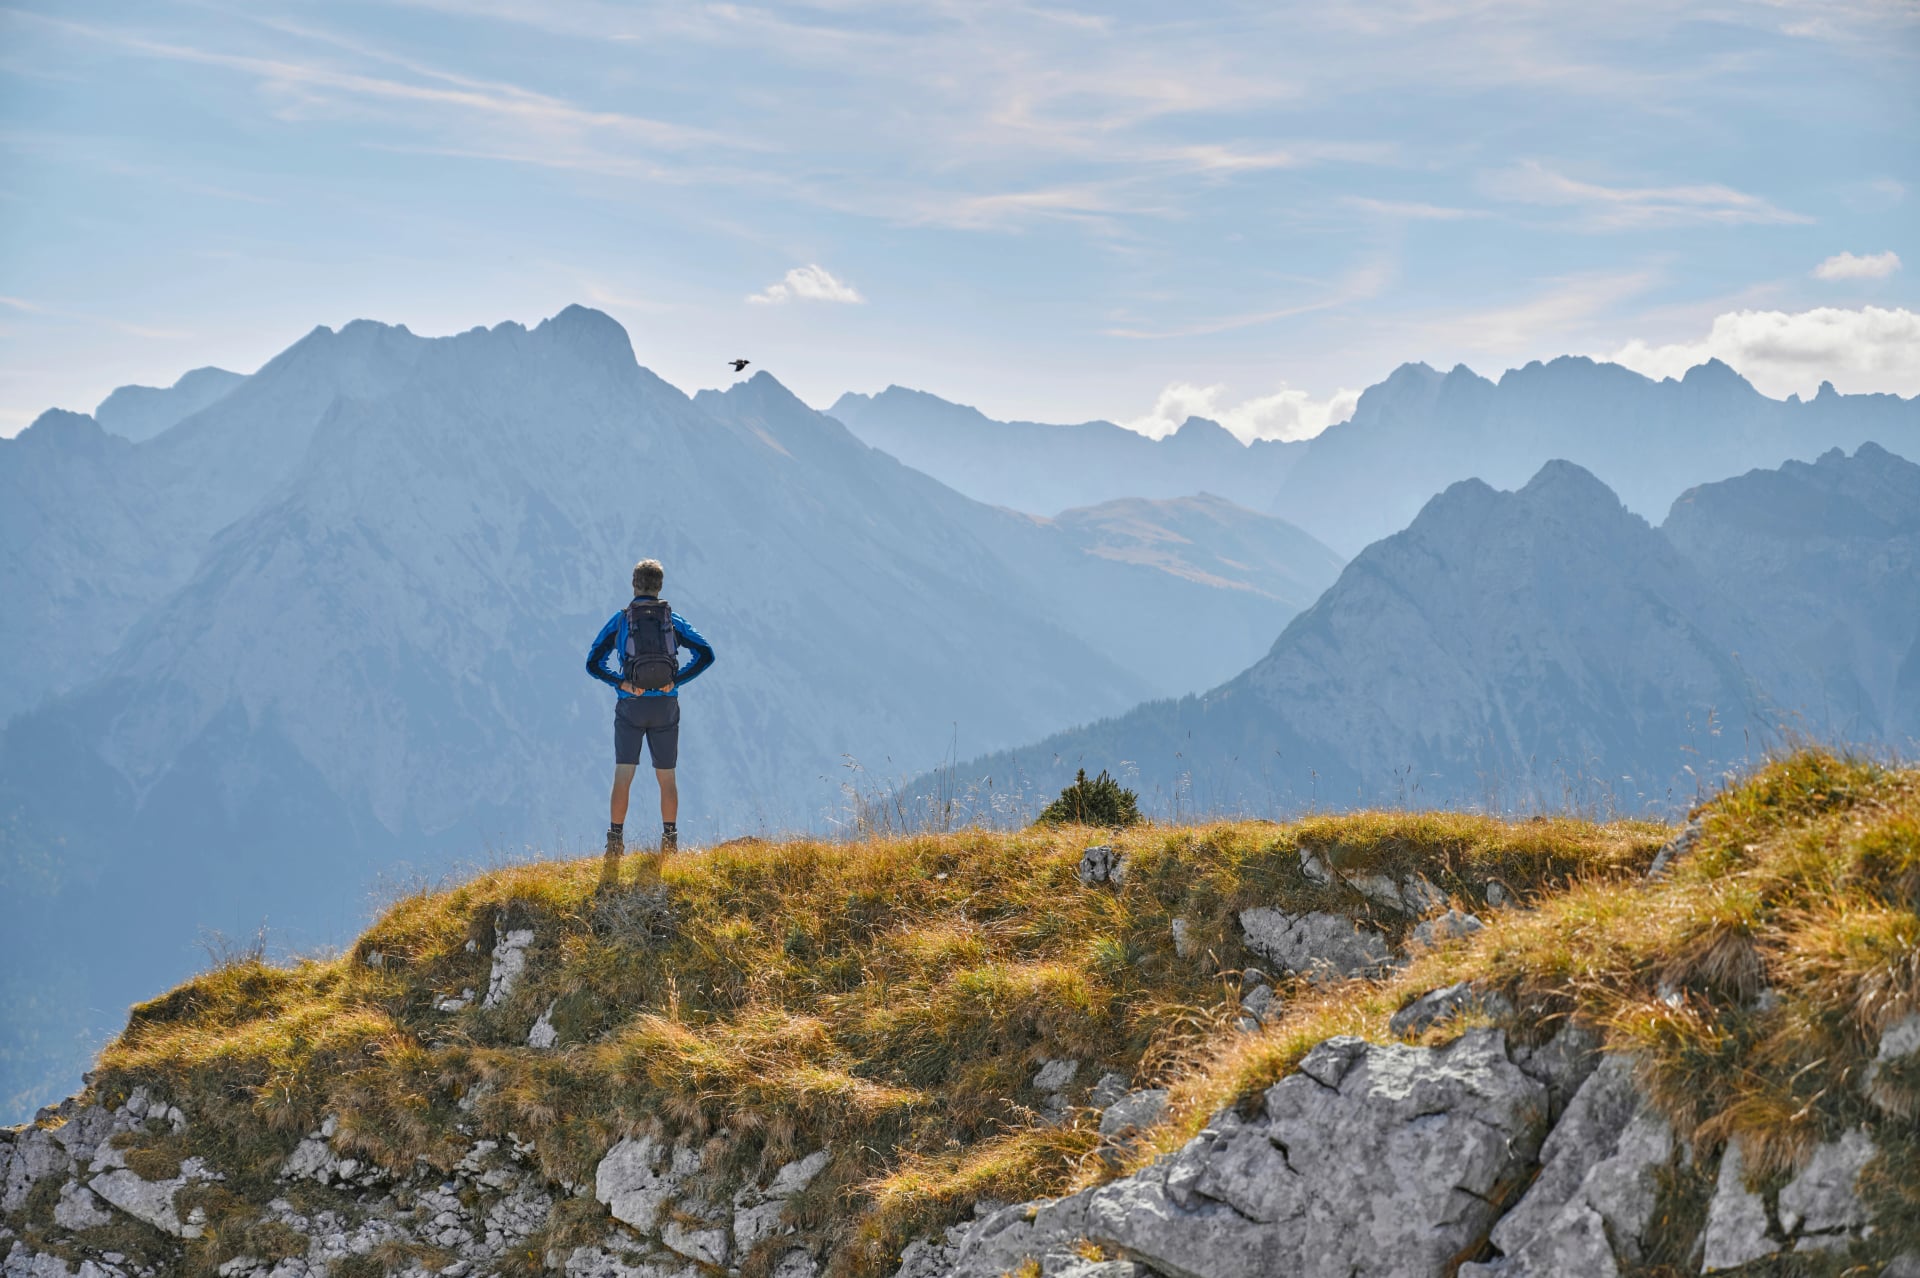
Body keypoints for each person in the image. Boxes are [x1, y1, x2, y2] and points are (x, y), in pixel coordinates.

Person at [585, 558, 715, 876]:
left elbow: (592, 662)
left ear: (634, 584)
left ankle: (615, 841)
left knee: (623, 775)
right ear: (659, 586)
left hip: (630, 705)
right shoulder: (672, 619)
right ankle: (669, 840)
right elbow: (706, 653)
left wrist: (622, 682)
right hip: (666, 707)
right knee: (666, 777)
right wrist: (676, 681)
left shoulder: (621, 620)